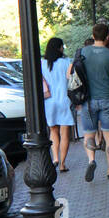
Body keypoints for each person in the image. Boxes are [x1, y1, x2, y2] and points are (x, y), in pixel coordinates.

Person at [78, 23, 109, 182]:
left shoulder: (82, 53)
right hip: (107, 99)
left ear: (93, 36)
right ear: (107, 38)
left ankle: (91, 160)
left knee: (89, 134)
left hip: (88, 100)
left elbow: (70, 75)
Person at [41, 37, 75, 171]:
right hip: (64, 100)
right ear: (60, 48)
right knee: (64, 133)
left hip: (49, 101)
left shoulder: (42, 63)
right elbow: (71, 80)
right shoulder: (67, 62)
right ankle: (62, 164)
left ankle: (55, 158)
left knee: (53, 131)